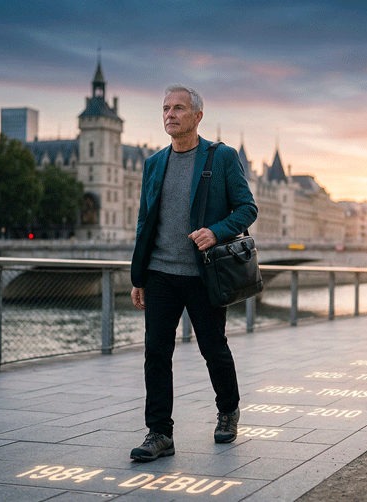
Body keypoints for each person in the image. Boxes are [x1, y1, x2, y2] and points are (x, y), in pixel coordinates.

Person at [129, 85, 257, 462]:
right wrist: (138, 275)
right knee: (156, 352)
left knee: (212, 348)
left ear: (197, 116)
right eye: (166, 108)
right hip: (160, 273)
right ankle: (159, 433)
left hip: (204, 274)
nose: (170, 114)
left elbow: (247, 209)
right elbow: (144, 222)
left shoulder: (222, 158)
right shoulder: (153, 164)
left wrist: (216, 231)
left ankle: (228, 410)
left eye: (179, 108)